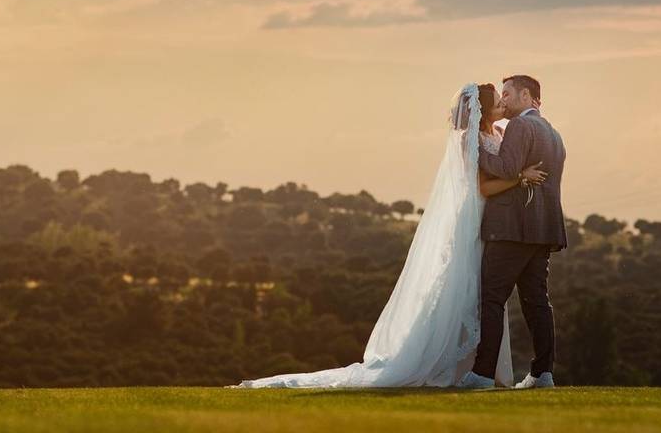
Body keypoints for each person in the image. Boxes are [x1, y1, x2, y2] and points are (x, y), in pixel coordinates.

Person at [226, 82, 547, 389]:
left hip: (493, 223)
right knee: (466, 288)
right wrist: (520, 179)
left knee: (484, 292)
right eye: (498, 101)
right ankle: (456, 362)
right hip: (475, 218)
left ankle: (479, 366)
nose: (504, 104)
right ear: (483, 110)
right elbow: (482, 186)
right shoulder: (469, 141)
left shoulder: (502, 132)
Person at [457, 75, 567, 390]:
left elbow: (506, 169)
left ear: (525, 95)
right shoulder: (554, 133)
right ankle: (542, 373)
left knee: (492, 298)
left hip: (512, 229)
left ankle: (481, 374)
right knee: (537, 301)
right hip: (543, 229)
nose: (503, 100)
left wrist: (475, 149)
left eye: (508, 93)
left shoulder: (520, 126)